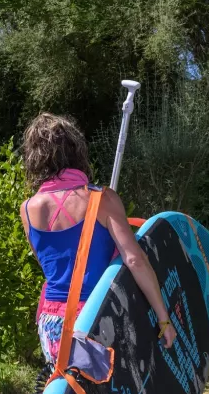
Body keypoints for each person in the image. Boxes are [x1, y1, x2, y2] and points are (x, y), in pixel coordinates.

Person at [19, 112, 177, 366]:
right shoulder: (101, 198)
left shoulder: (28, 209)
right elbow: (134, 260)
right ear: (76, 151)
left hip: (51, 321)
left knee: (67, 388)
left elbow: (47, 265)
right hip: (98, 316)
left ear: (35, 158)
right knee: (105, 389)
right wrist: (163, 319)